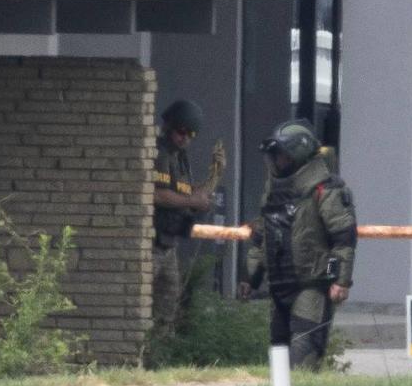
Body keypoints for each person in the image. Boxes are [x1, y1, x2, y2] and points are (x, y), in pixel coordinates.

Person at [239, 119, 357, 370]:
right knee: (279, 357)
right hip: (279, 285)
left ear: (297, 156)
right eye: (274, 156)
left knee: (303, 355)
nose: (276, 161)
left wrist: (339, 280)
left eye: (281, 155)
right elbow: (261, 238)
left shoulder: (326, 189)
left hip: (312, 285)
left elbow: (343, 236)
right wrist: (250, 278)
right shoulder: (273, 190)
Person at [152, 99, 225, 340]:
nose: (185, 138)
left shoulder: (179, 157)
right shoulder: (161, 154)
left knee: (170, 298)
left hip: (168, 242)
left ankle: (161, 346)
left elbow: (185, 192)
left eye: (191, 134)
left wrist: (210, 182)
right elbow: (159, 195)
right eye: (181, 132)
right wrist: (193, 202)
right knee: (145, 298)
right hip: (152, 242)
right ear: (170, 127)